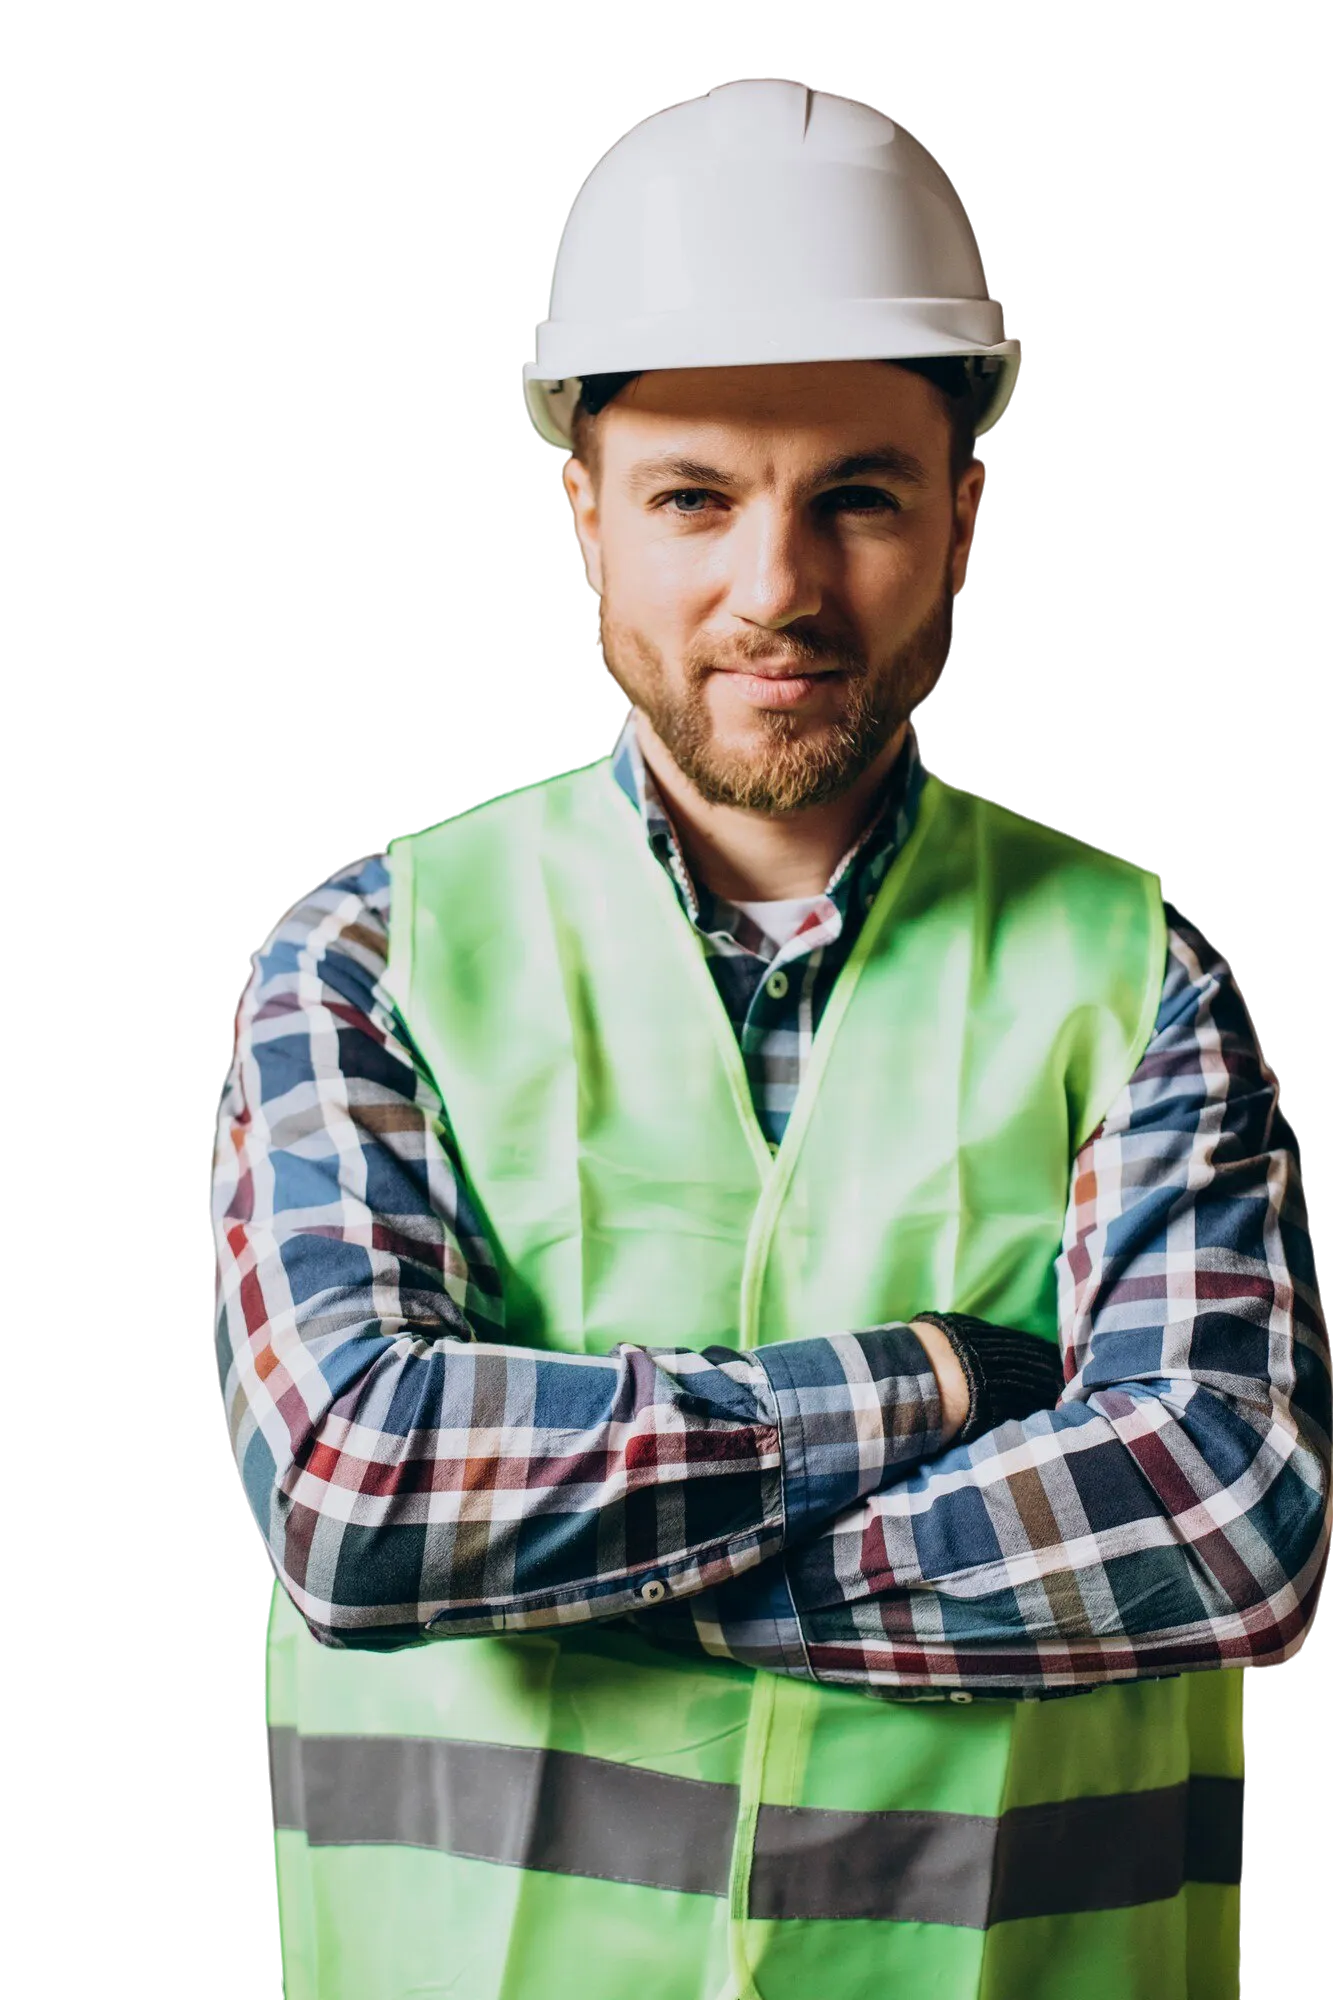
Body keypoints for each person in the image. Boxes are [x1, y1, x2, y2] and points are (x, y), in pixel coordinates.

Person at [211, 82, 1331, 2000]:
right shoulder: (363, 961)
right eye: (696, 498)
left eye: (860, 497)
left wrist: (594, 1568)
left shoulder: (1141, 976)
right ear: (583, 509)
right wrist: (930, 1391)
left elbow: (1227, 1516)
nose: (778, 589)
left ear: (966, 515)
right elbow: (357, 1493)